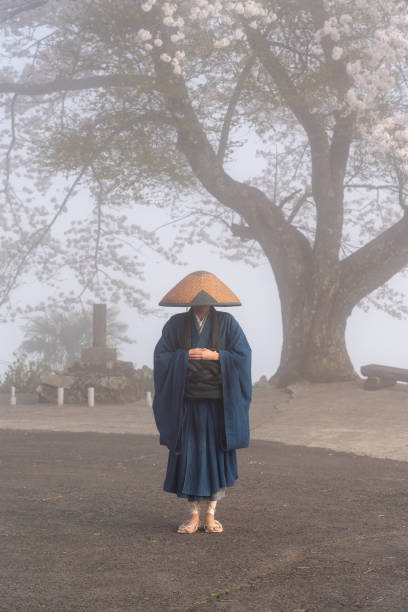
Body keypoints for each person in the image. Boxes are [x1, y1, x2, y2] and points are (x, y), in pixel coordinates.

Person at [153, 271, 251, 534]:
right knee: (190, 456)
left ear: (215, 301)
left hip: (218, 404)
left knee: (216, 456)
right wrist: (184, 357)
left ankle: (211, 514)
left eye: (206, 300)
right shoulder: (175, 324)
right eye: (196, 301)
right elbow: (161, 357)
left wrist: (216, 356)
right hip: (187, 404)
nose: (201, 305)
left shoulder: (228, 323)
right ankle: (193, 515)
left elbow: (243, 357)